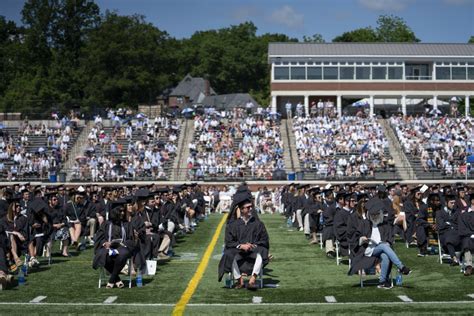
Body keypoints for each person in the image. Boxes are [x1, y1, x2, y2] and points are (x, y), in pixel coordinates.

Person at [349, 198, 411, 289]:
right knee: (383, 246)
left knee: (385, 254)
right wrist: (362, 239)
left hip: (382, 249)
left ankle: (382, 281)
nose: (375, 216)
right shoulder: (364, 223)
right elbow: (356, 238)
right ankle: (401, 267)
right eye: (373, 215)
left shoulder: (384, 224)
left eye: (377, 214)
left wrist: (388, 243)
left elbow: (390, 238)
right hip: (368, 250)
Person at [218, 192, 269, 290]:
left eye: (251, 207)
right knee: (228, 254)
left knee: (262, 252)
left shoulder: (258, 224)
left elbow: (264, 239)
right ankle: (239, 280)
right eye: (248, 207)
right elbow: (228, 242)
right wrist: (241, 246)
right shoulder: (232, 225)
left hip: (253, 250)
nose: (250, 209)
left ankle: (252, 280)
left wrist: (253, 245)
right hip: (238, 251)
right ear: (241, 209)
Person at [92, 205, 140, 288]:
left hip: (122, 247)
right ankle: (117, 279)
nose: (122, 213)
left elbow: (130, 239)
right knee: (103, 255)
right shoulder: (106, 224)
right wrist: (105, 243)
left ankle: (111, 280)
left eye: (123, 211)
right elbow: (100, 237)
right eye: (120, 211)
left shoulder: (127, 224)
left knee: (122, 254)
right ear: (114, 212)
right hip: (107, 247)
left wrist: (121, 244)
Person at [458, 193, 474, 276]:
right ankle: (469, 266)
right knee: (466, 242)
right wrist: (471, 235)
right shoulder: (464, 214)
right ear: (472, 201)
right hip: (468, 236)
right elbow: (462, 229)